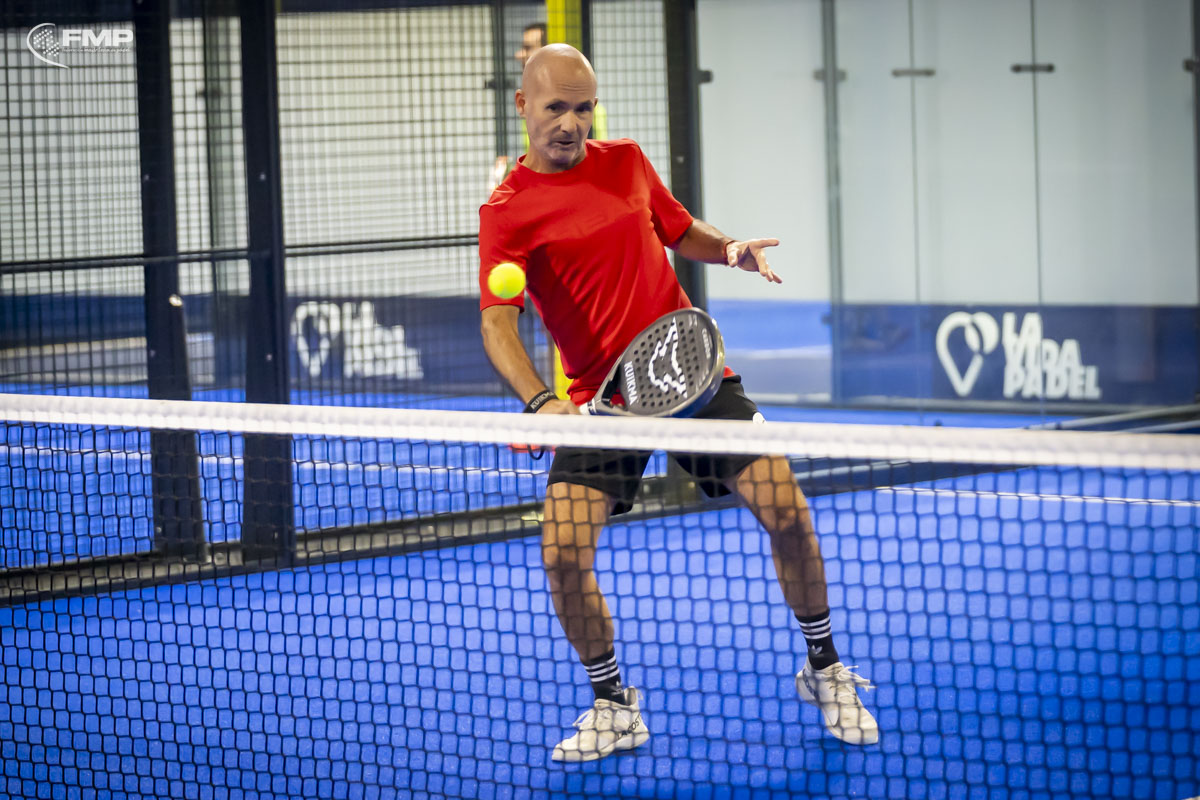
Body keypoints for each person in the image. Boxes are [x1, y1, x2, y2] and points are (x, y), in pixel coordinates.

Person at [478, 44, 879, 763]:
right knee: (562, 555)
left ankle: (825, 668)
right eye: (555, 108)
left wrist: (728, 249)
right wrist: (540, 401)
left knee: (788, 512)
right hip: (602, 398)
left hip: (688, 370)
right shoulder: (505, 213)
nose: (571, 123)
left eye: (583, 108)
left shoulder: (627, 161)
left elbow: (678, 227)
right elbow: (496, 323)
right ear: (522, 106)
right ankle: (614, 706)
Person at [491, 22, 607, 190]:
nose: (519, 55)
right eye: (554, 108)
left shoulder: (598, 117)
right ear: (522, 104)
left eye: (528, 47)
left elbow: (593, 164)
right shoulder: (533, 103)